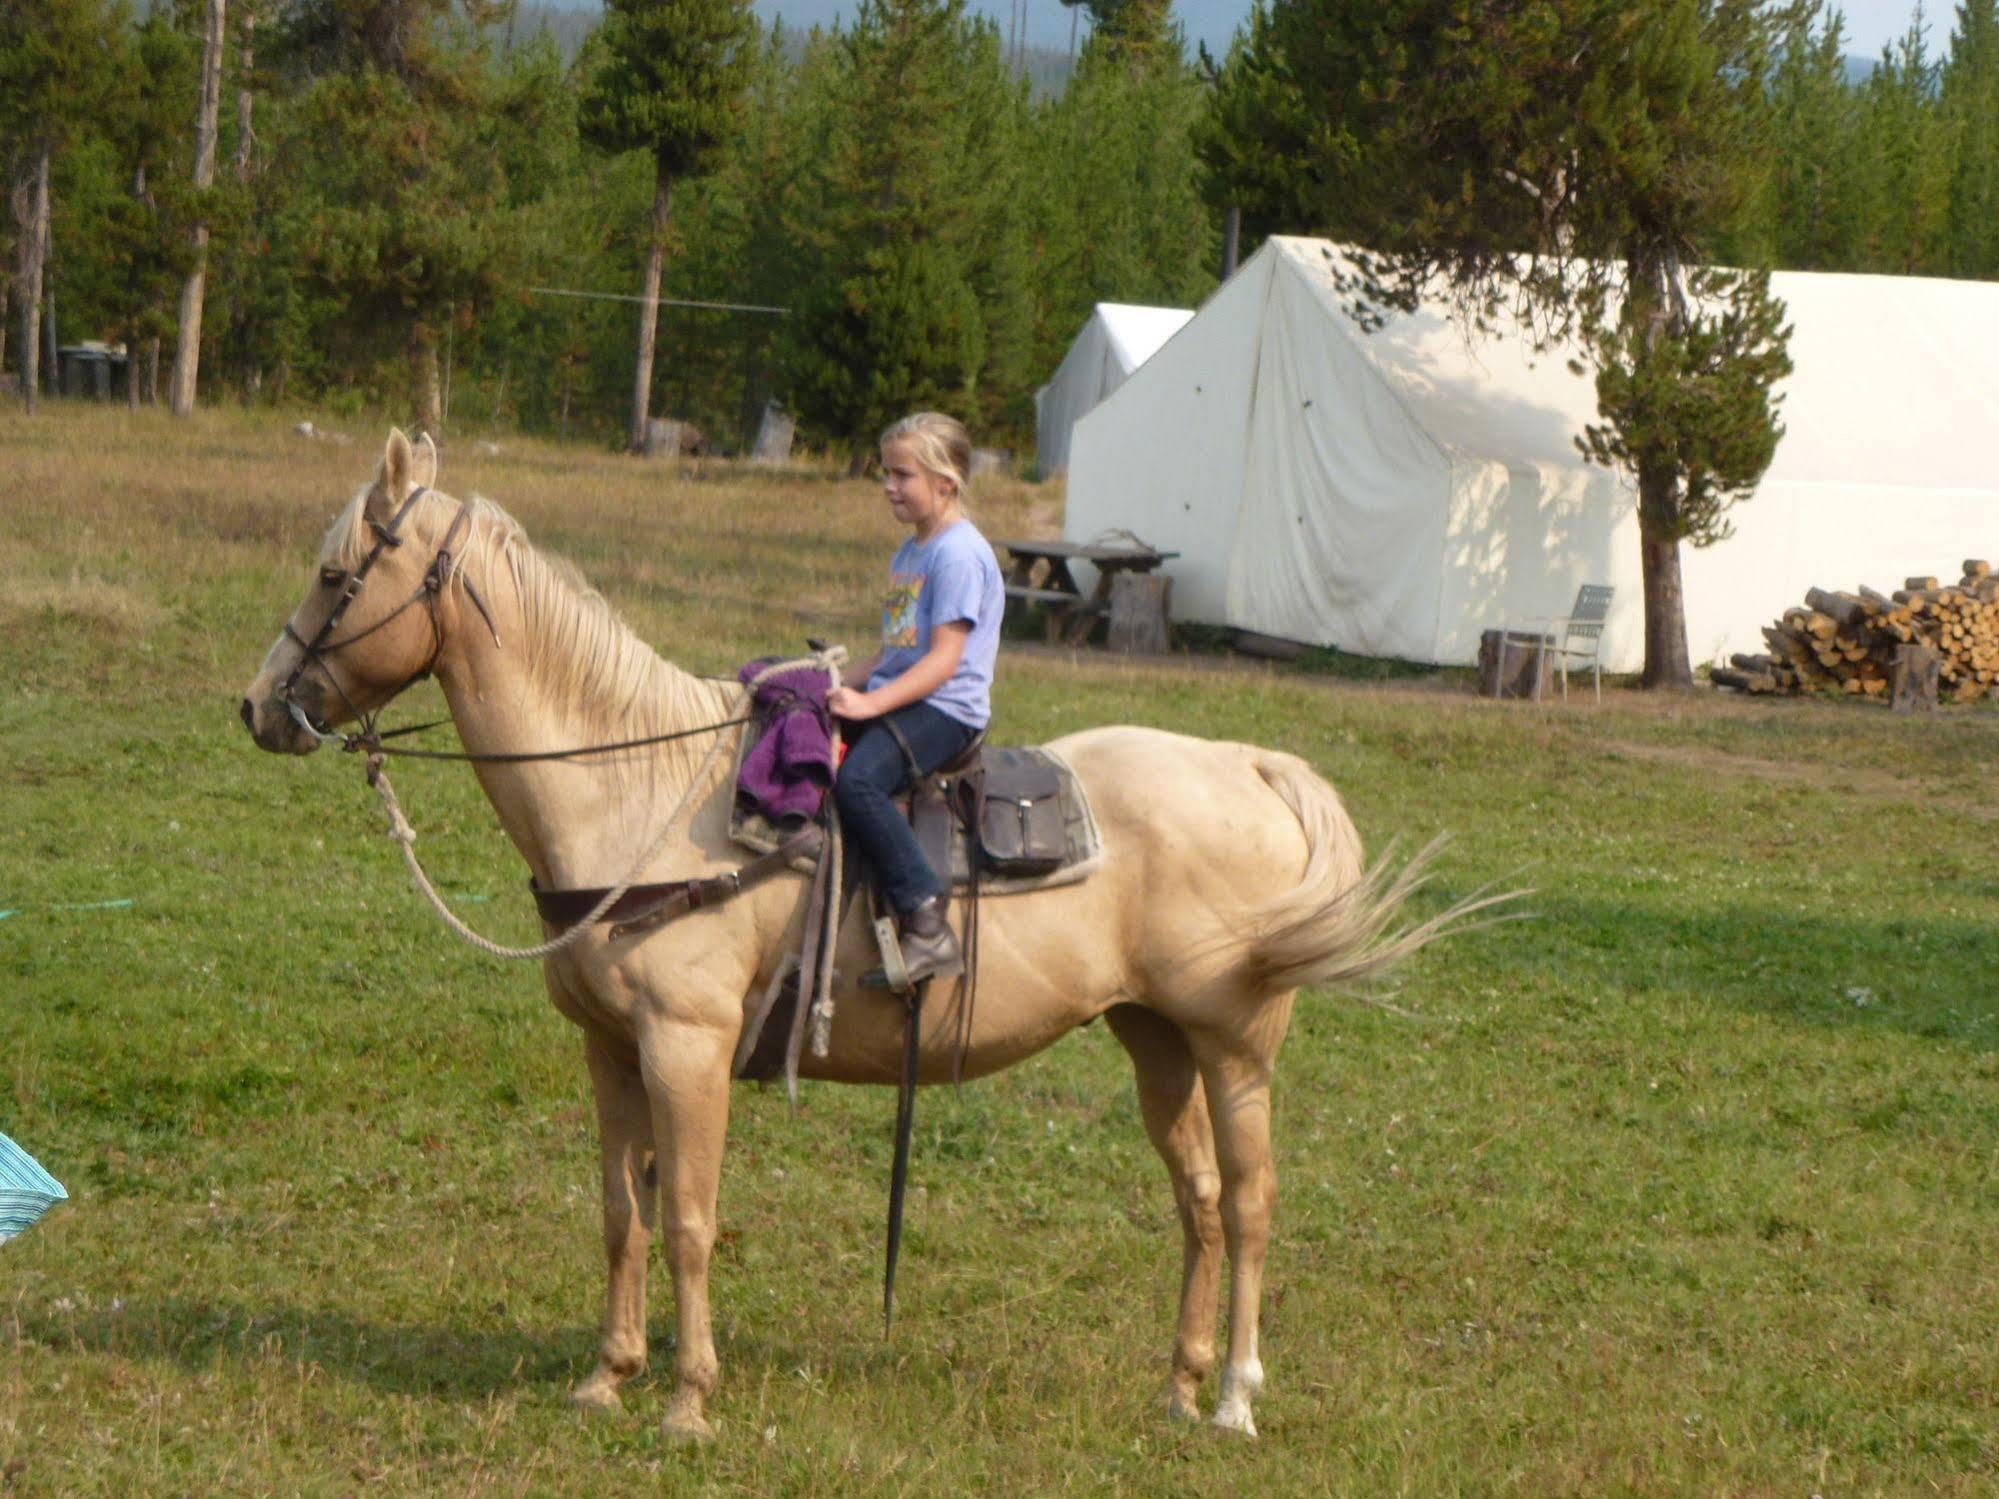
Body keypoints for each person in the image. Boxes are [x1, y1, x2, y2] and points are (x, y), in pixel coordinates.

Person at [829, 412, 1004, 985]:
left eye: (903, 475)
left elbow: (942, 662)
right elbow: (894, 653)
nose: (889, 486)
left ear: (945, 483)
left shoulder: (956, 555)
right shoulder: (910, 553)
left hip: (946, 709)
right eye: (887, 473)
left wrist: (871, 707)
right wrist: (833, 684)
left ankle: (926, 922)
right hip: (910, 693)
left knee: (856, 781)